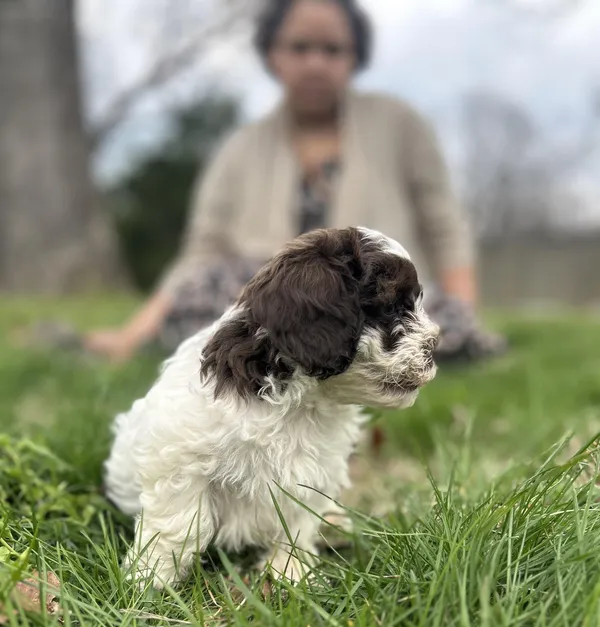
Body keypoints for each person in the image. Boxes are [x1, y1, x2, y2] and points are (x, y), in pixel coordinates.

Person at [84, 0, 505, 364]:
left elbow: (444, 224)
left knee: (423, 313)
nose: (316, 63)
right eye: (300, 48)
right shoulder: (239, 149)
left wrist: (463, 314)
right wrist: (133, 333)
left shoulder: (401, 125)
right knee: (212, 293)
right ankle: (314, 357)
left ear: (354, 57)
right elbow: (202, 253)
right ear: (272, 55)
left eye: (332, 49)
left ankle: (380, 354)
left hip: (378, 301)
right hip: (275, 306)